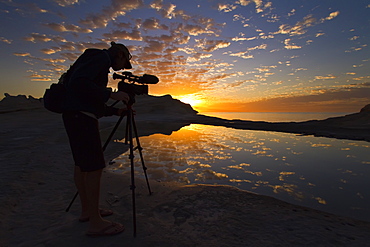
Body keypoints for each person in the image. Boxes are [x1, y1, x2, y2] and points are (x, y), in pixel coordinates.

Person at [62, 41, 131, 237]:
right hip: (80, 118)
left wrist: (115, 111)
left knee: (82, 166)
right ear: (119, 55)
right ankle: (96, 223)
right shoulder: (100, 57)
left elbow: (87, 96)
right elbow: (79, 83)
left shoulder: (97, 60)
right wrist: (112, 94)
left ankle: (88, 211)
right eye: (124, 63)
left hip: (76, 115)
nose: (122, 68)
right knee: (93, 167)